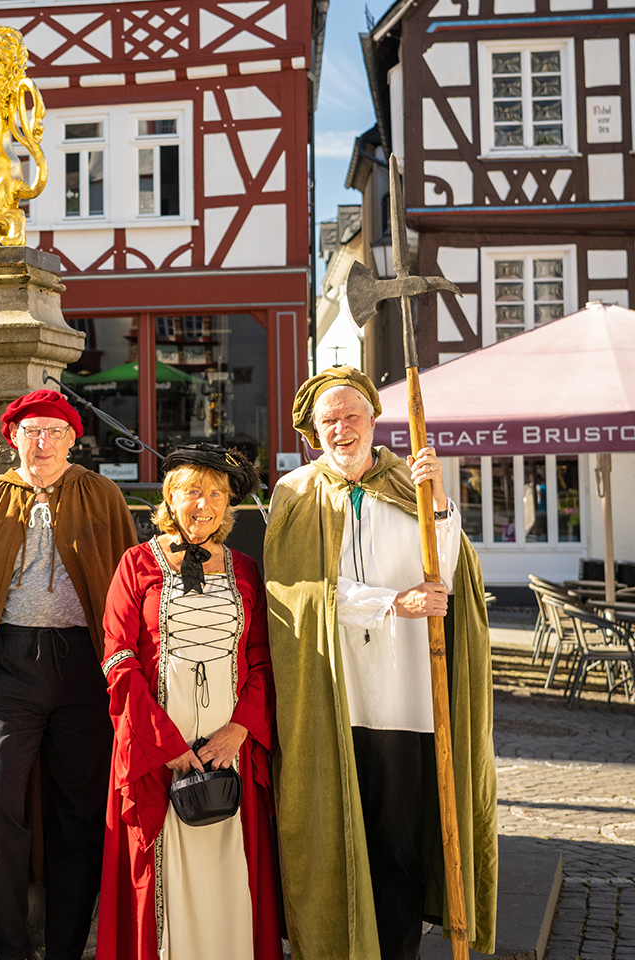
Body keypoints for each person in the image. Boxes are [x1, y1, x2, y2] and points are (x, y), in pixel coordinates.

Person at [264, 366, 497, 960]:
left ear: (373, 417)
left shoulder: (410, 481)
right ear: (312, 432)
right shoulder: (294, 493)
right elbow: (298, 593)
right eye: (327, 422)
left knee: (398, 841)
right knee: (334, 833)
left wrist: (440, 501)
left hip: (408, 693)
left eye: (350, 416)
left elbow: (444, 573)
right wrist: (391, 602)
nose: (340, 429)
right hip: (334, 691)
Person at [0, 388, 137, 960]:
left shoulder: (102, 496)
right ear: (12, 438)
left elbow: (123, 592)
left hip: (84, 669)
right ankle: (13, 949)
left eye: (53, 431)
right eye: (31, 432)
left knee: (81, 811)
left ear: (73, 438)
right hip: (8, 668)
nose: (41, 442)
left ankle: (66, 950)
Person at [97, 444, 282, 960]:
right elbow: (118, 659)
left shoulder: (246, 569)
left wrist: (240, 730)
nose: (203, 504)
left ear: (228, 506)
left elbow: (265, 659)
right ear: (170, 498)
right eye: (192, 492)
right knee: (163, 874)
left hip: (231, 753)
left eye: (216, 494)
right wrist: (164, 744)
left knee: (230, 869)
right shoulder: (136, 565)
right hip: (159, 754)